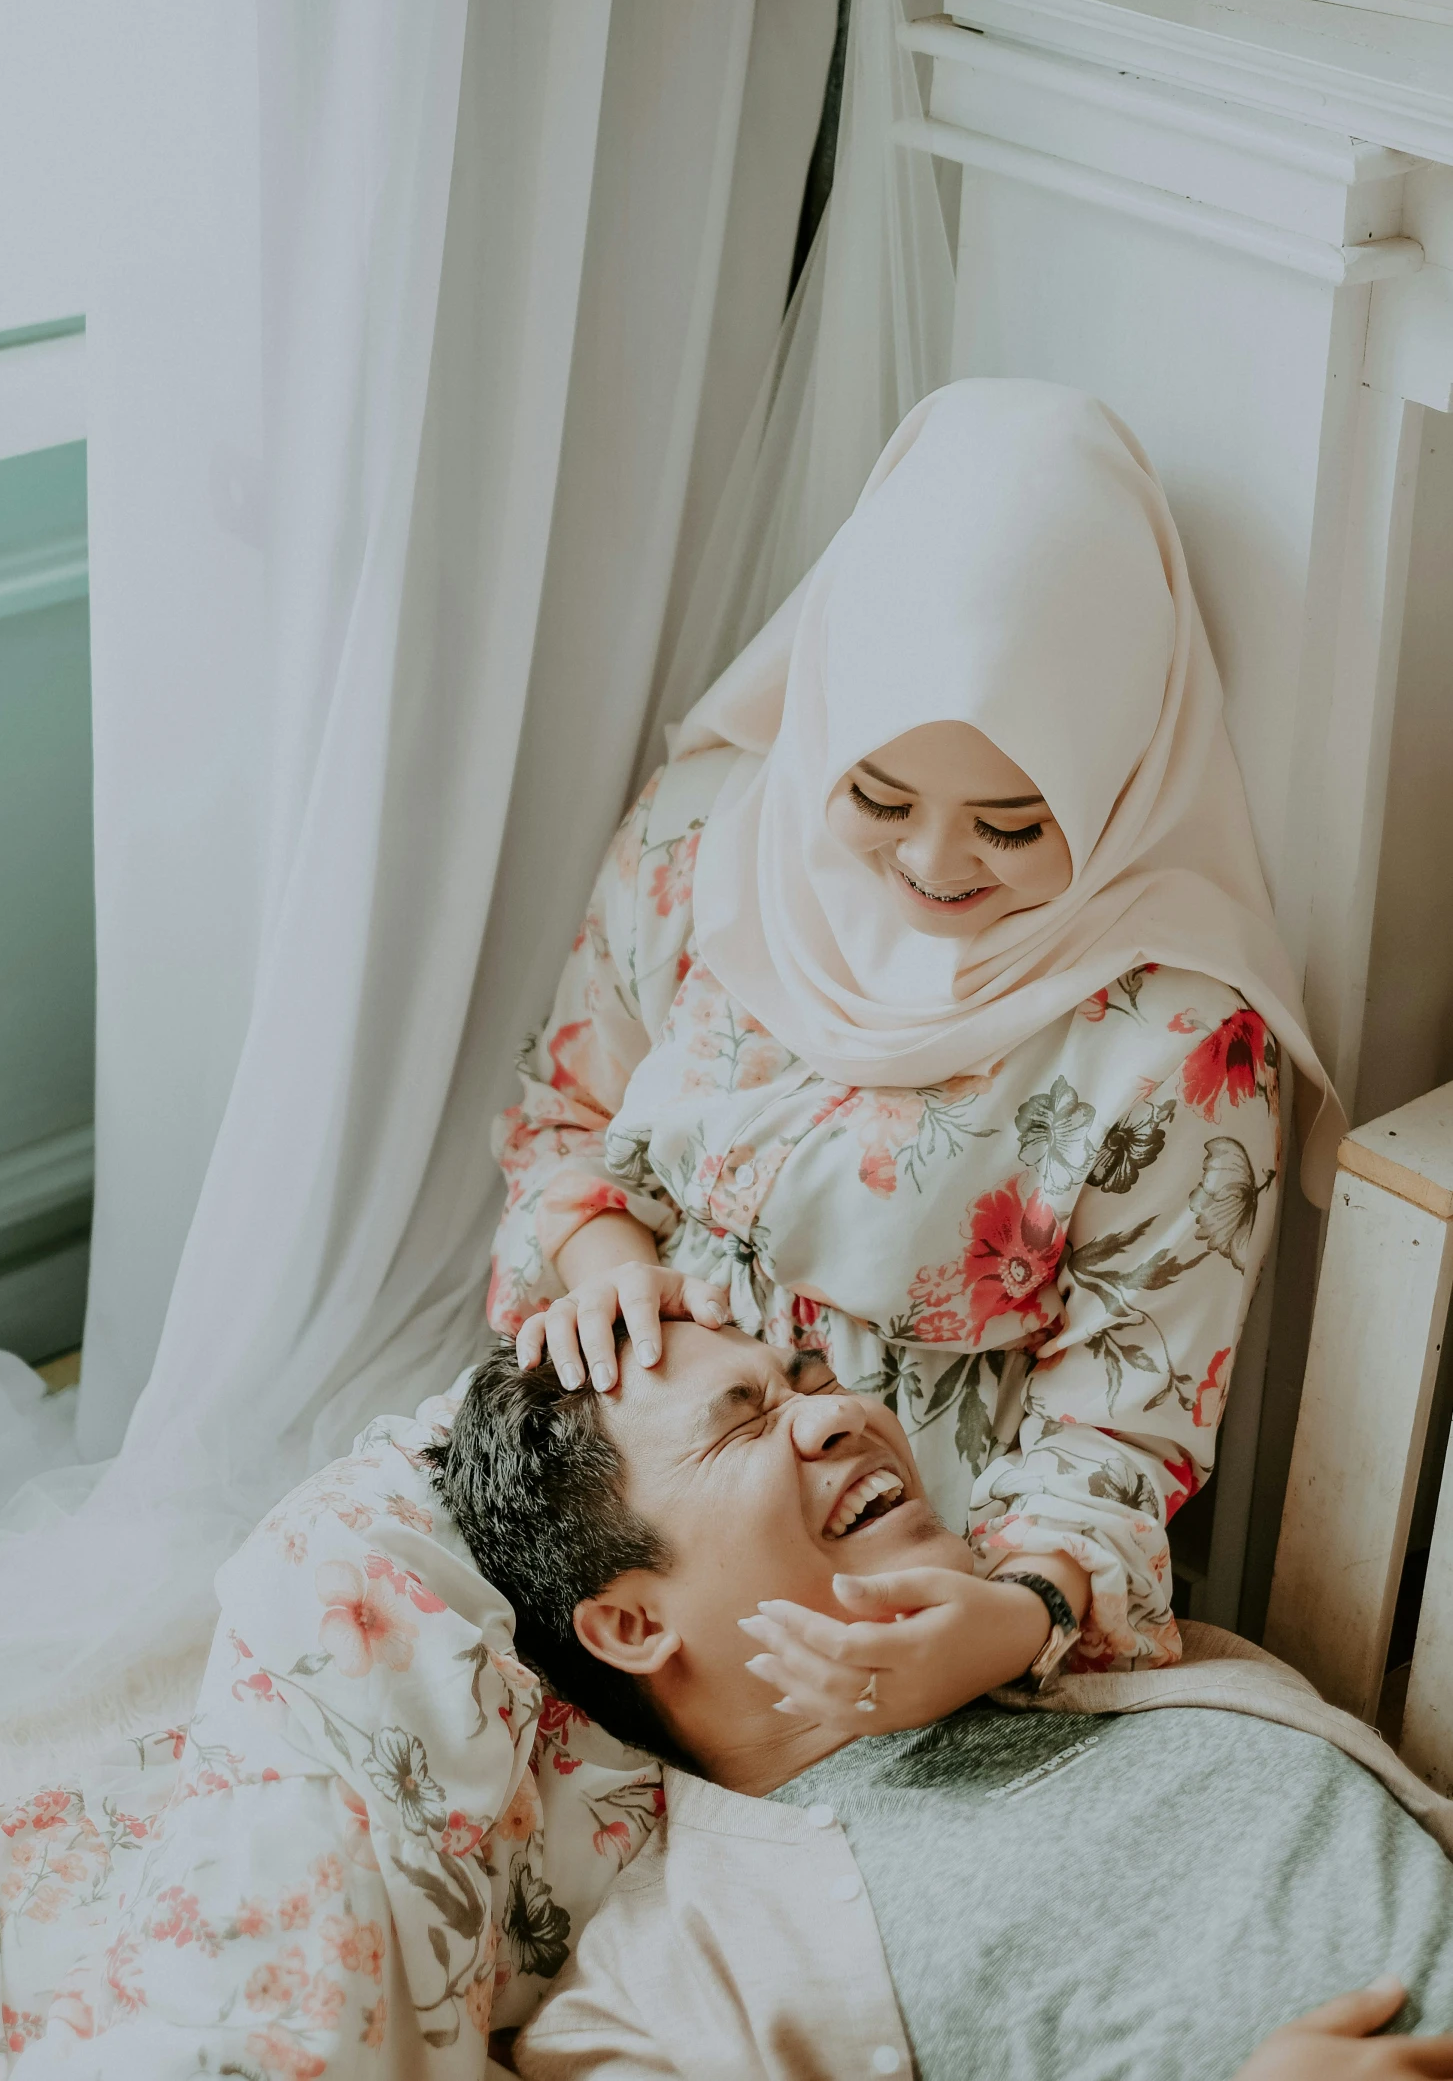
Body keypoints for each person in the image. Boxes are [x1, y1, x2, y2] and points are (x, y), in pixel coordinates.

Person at [490, 377, 1342, 1718]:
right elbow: (563, 1114)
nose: (935, 865)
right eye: (877, 797)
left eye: (1013, 822)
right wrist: (599, 1253)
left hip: (897, 1598)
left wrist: (1007, 1619)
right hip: (592, 1495)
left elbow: (1118, 1426)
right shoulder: (709, 835)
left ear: (1121, 765)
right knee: (351, 1628)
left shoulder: (1180, 1041)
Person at [429, 1324, 1453, 2081]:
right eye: (744, 1424)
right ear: (634, 1625)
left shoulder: (1084, 1629)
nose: (839, 1412)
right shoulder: (659, 1996)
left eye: (809, 1377)